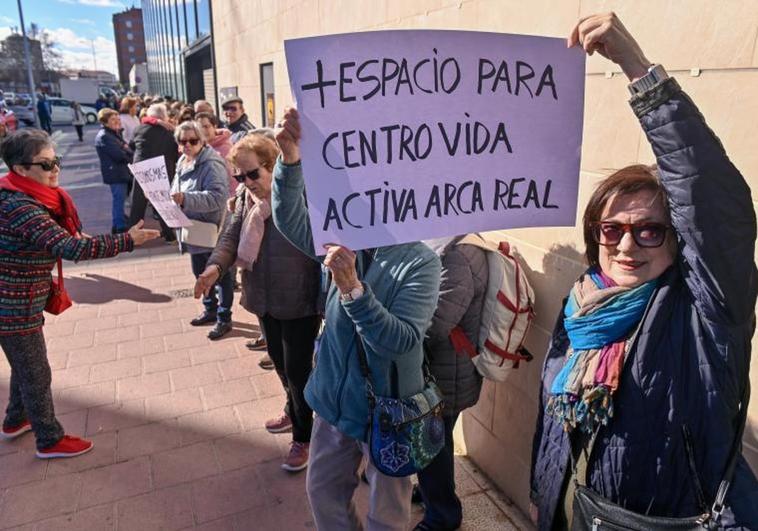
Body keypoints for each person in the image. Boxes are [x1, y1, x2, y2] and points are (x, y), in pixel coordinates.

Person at [530, 13, 758, 530]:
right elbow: (552, 424)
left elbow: (715, 208)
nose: (627, 244)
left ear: (678, 242)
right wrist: (540, 494)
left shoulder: (706, 313)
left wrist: (640, 74)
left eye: (650, 230)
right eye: (612, 230)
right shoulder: (581, 303)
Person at [272, 107, 441, 530]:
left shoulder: (420, 262)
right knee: (323, 492)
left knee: (387, 511)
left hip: (390, 407)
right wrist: (290, 159)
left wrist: (351, 289)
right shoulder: (345, 233)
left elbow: (400, 341)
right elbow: (291, 221)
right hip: (334, 399)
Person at [0, 129, 159, 459]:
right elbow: (71, 247)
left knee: (24, 365)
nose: (55, 168)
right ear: (20, 170)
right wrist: (128, 240)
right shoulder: (22, 208)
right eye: (46, 164)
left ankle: (16, 419)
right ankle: (49, 439)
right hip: (12, 305)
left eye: (56, 160)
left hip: (20, 300)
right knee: (36, 371)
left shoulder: (20, 195)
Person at [196, 134, 322, 471]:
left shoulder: (299, 198)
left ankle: (303, 436)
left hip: (299, 299)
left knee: (298, 371)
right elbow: (230, 237)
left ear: (273, 166)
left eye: (253, 174)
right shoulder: (242, 200)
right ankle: (292, 409)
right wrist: (214, 267)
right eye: (239, 175)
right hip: (264, 298)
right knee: (280, 364)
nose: (246, 182)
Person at [412, 236, 488, 531]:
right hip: (446, 368)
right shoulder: (458, 245)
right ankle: (435, 493)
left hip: (447, 372)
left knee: (432, 444)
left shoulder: (458, 255)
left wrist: (402, 329)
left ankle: (443, 515)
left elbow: (438, 322)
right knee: (438, 442)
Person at [171, 121, 234, 340]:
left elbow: (218, 198)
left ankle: (224, 318)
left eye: (193, 140)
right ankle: (210, 309)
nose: (187, 145)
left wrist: (185, 199)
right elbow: (175, 188)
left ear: (202, 141)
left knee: (221, 274)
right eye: (183, 141)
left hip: (212, 230)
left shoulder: (211, 164)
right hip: (193, 229)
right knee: (199, 272)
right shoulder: (183, 161)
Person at [128, 103, 179, 242]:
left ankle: (132, 237)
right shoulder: (171, 132)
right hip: (162, 171)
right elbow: (176, 153)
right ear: (164, 117)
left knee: (138, 205)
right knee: (163, 205)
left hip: (142, 170)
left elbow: (131, 145)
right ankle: (170, 236)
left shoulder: (139, 128)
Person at [95, 109, 133, 234]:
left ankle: (119, 221)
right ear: (105, 122)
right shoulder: (105, 136)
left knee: (120, 198)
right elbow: (119, 155)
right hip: (116, 173)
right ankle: (119, 226)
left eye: (118, 118)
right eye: (113, 119)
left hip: (119, 171)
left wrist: (126, 150)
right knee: (119, 199)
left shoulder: (113, 133)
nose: (117, 121)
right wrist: (129, 155)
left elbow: (125, 148)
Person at [196, 112, 235, 196]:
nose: (203, 131)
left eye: (206, 126)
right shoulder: (200, 148)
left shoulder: (225, 149)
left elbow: (232, 180)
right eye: (200, 128)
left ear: (214, 126)